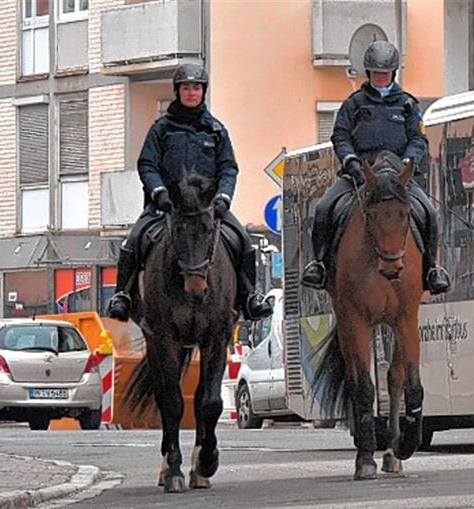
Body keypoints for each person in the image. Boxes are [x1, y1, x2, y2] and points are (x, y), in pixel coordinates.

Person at [106, 63, 273, 322]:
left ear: (203, 91)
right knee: (134, 241)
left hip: (207, 208)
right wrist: (158, 192)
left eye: (196, 87)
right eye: (186, 87)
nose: (191, 92)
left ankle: (251, 296)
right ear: (178, 91)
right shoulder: (161, 128)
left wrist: (223, 198)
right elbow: (147, 164)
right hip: (167, 206)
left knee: (243, 241)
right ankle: (123, 296)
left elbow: (228, 168)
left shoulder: (216, 130)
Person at [300, 40, 451, 295]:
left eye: (385, 73)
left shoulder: (408, 105)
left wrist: (407, 161)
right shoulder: (354, 104)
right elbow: (341, 136)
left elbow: (418, 139)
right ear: (368, 74)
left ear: (393, 73)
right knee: (324, 209)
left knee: (430, 214)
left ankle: (431, 269)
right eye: (376, 74)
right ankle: (319, 265)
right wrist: (350, 160)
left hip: (396, 177)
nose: (381, 78)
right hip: (361, 173)